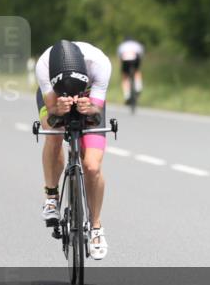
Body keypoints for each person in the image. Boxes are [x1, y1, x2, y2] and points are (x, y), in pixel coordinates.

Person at [34, 40, 112, 259]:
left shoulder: (100, 64)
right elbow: (51, 113)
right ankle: (51, 195)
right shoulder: (44, 64)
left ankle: (96, 227)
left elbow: (96, 115)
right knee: (55, 132)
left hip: (90, 99)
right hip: (54, 100)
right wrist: (57, 109)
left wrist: (90, 108)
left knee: (92, 166)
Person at [116, 36, 144, 104]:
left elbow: (119, 57)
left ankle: (127, 95)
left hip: (125, 59)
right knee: (137, 71)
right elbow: (141, 54)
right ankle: (138, 86)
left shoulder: (122, 45)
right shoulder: (136, 44)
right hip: (135, 58)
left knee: (125, 76)